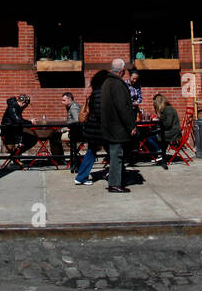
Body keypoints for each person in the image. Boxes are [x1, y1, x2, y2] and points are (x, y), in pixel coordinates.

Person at [100, 58, 137, 193]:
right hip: (117, 128)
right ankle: (114, 183)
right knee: (117, 155)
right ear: (121, 71)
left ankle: (119, 178)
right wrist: (131, 126)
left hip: (108, 126)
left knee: (116, 154)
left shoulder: (106, 83)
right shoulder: (117, 84)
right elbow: (123, 107)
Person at [75, 72, 108, 186]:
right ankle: (115, 173)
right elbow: (100, 113)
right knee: (114, 151)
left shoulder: (95, 93)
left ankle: (81, 177)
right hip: (99, 130)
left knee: (91, 152)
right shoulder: (100, 94)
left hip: (93, 129)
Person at [142, 93, 182, 164]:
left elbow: (167, 125)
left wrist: (158, 121)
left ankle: (159, 152)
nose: (155, 106)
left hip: (171, 133)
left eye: (155, 104)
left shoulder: (169, 109)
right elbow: (165, 121)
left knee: (149, 137)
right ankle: (158, 153)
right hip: (168, 131)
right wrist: (158, 119)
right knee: (150, 134)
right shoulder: (166, 109)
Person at [0, 93, 37, 166]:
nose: (25, 107)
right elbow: (18, 121)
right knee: (32, 138)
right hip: (9, 134)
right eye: (26, 105)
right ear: (23, 103)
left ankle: (16, 156)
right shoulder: (13, 107)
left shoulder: (14, 106)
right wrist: (30, 122)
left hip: (13, 131)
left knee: (32, 137)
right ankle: (16, 156)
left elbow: (18, 120)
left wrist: (28, 122)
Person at [59, 91, 81, 171]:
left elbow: (77, 121)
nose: (62, 102)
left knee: (55, 136)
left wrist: (66, 128)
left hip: (75, 133)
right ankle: (59, 158)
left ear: (70, 100)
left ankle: (58, 158)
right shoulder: (71, 106)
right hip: (73, 131)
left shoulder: (73, 108)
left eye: (64, 100)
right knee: (55, 135)